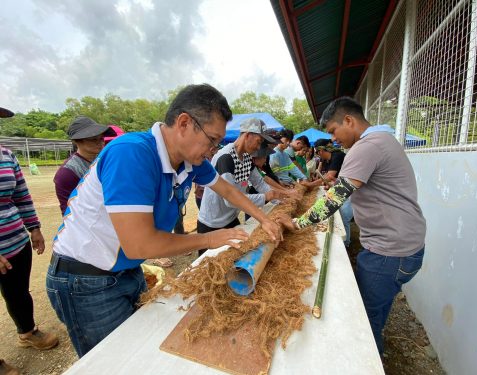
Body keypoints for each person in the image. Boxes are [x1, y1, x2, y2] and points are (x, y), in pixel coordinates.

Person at [46, 84, 282, 357]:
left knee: (140, 351)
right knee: (115, 361)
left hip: (126, 270)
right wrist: (209, 238)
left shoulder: (191, 161)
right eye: (212, 140)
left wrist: (264, 219)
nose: (213, 150)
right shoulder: (132, 153)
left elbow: (227, 189)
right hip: (85, 279)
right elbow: (140, 245)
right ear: (184, 123)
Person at [278, 97, 426, 355]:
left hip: (388, 251)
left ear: (349, 120)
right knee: (375, 311)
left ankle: (369, 359)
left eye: (334, 131)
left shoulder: (367, 146)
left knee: (365, 326)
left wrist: (297, 223)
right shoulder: (383, 141)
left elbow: (337, 198)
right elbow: (346, 187)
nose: (333, 139)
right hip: (402, 246)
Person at [0, 107, 58, 374]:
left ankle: (27, 332)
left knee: (18, 293)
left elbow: (21, 195)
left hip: (15, 242)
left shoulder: (6, 155)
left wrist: (34, 228)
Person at [197, 118, 287, 255]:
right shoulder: (225, 158)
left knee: (240, 255)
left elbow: (259, 182)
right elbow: (230, 200)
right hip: (212, 224)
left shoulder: (246, 159)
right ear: (247, 135)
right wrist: (265, 197)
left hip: (231, 219)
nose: (258, 147)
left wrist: (276, 199)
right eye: (258, 142)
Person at [53, 116, 116, 215]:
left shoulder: (103, 161)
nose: (100, 142)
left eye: (101, 138)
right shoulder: (67, 173)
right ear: (77, 141)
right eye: (93, 139)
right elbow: (70, 211)